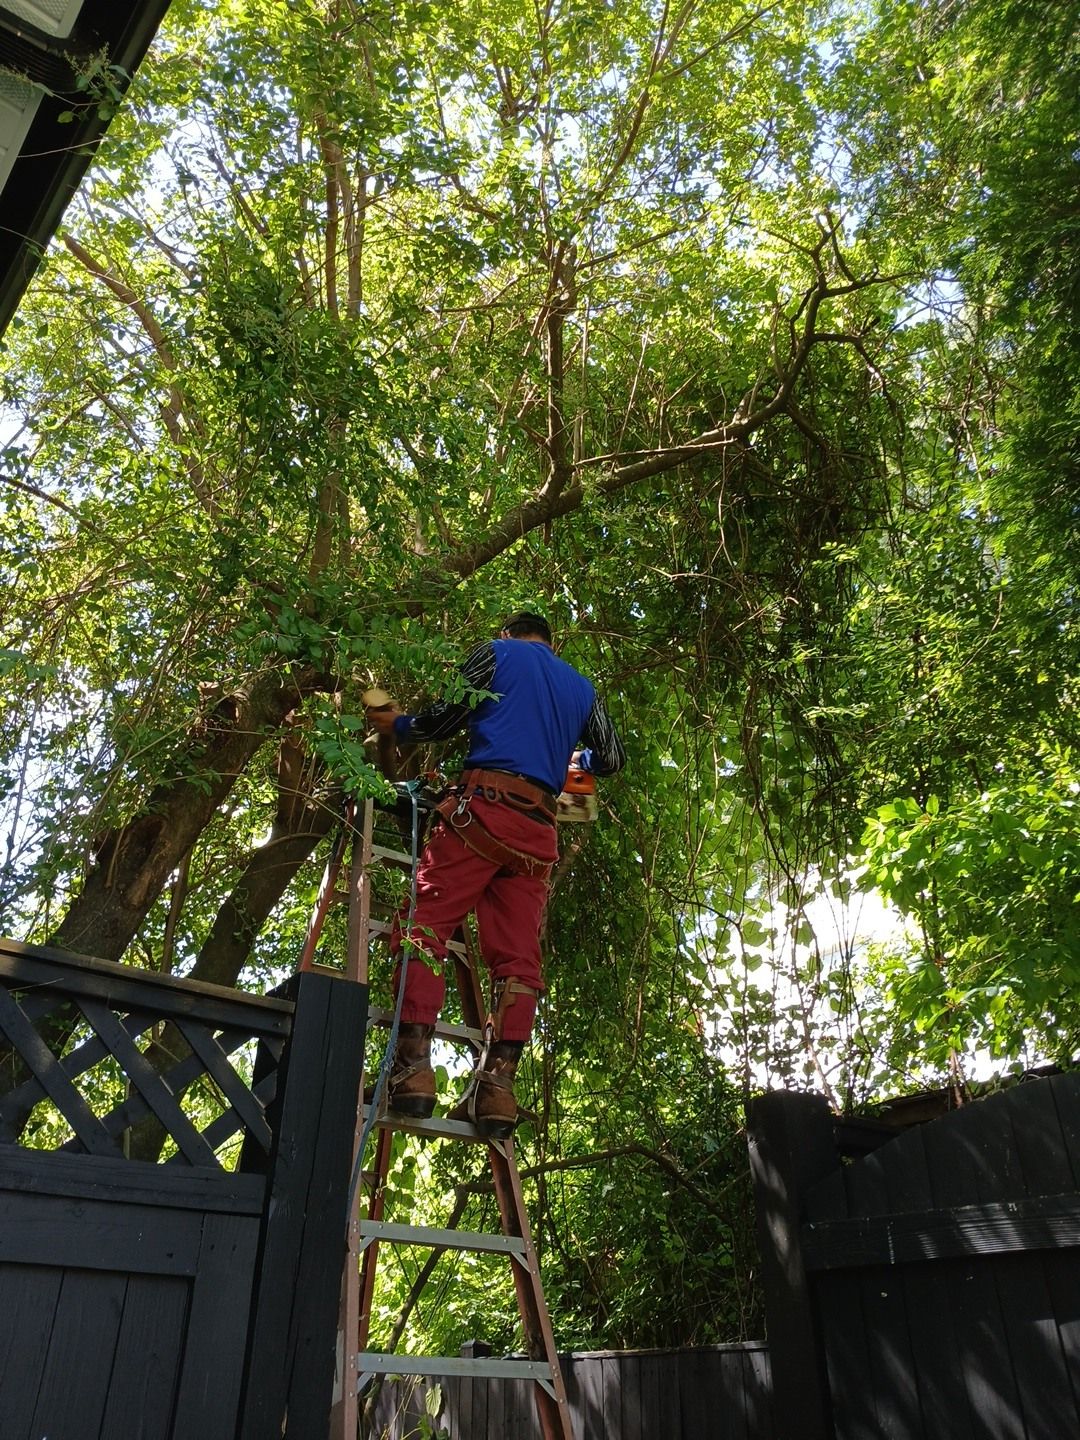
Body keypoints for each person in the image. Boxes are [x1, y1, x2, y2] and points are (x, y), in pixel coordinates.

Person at [366, 611, 625, 1137]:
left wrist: (396, 723)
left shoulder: (496, 654)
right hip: (536, 834)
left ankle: (412, 1072)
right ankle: (498, 1090)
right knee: (517, 961)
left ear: (509, 633)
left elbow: (441, 722)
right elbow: (613, 757)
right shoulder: (582, 688)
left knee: (424, 924)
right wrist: (576, 756)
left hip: (482, 812)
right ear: (551, 643)